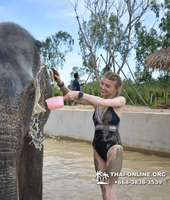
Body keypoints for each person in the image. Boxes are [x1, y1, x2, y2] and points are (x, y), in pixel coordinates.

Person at [54, 70, 125, 200]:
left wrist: (81, 93)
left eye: (108, 86)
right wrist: (61, 84)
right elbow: (71, 95)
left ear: (115, 89)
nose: (103, 87)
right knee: (104, 193)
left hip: (114, 148)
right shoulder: (95, 102)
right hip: (97, 148)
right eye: (102, 83)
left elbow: (101, 102)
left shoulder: (120, 100)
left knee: (109, 192)